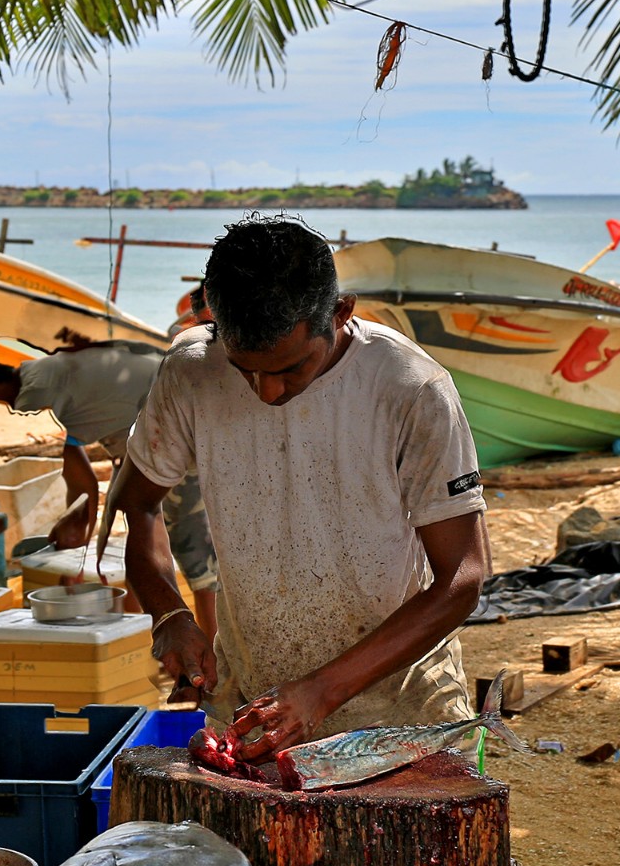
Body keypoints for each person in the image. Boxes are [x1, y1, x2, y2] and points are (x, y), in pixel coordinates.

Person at [116, 215, 489, 756]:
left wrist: (322, 691)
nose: (266, 392)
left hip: (400, 709)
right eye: (245, 370)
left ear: (340, 314)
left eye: (290, 369)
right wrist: (168, 612)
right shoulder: (192, 370)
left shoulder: (411, 388)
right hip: (252, 704)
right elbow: (139, 505)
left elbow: (463, 577)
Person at [0, 341, 218, 633]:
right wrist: (80, 544)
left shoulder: (41, 389)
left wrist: (77, 533)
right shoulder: (51, 369)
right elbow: (89, 486)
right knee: (142, 538)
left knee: (195, 559)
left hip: (177, 439)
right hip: (159, 432)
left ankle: (218, 656)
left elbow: (83, 488)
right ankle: (139, 632)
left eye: (0, 401)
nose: (15, 411)